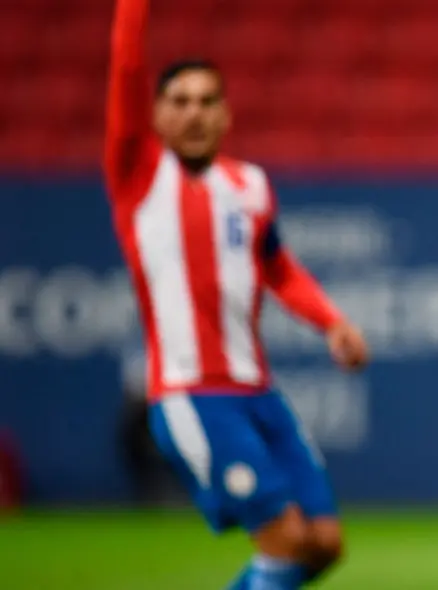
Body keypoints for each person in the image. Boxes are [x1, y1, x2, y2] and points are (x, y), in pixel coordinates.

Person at [104, 1, 369, 588]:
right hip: (192, 395)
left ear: (226, 113)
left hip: (259, 391)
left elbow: (277, 268)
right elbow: (125, 66)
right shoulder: (140, 176)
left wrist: (331, 322)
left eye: (206, 101)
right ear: (154, 114)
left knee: (323, 544)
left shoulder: (249, 185)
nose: (194, 113)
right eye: (179, 101)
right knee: (285, 540)